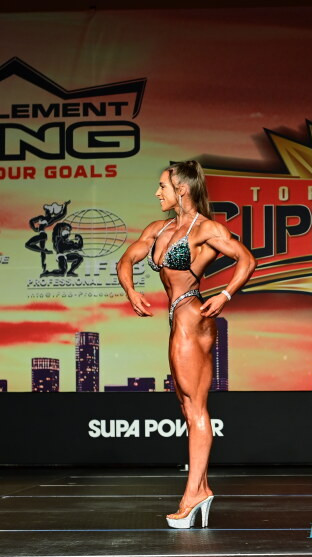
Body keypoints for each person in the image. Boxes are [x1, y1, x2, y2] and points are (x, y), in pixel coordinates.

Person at [117, 160, 255, 528]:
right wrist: (131, 290)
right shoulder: (160, 228)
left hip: (193, 317)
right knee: (186, 405)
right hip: (177, 316)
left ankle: (193, 495)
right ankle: (202, 488)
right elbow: (126, 259)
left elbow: (246, 259)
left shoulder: (206, 229)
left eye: (162, 186)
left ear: (182, 189)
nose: (157, 192)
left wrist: (225, 294)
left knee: (195, 409)